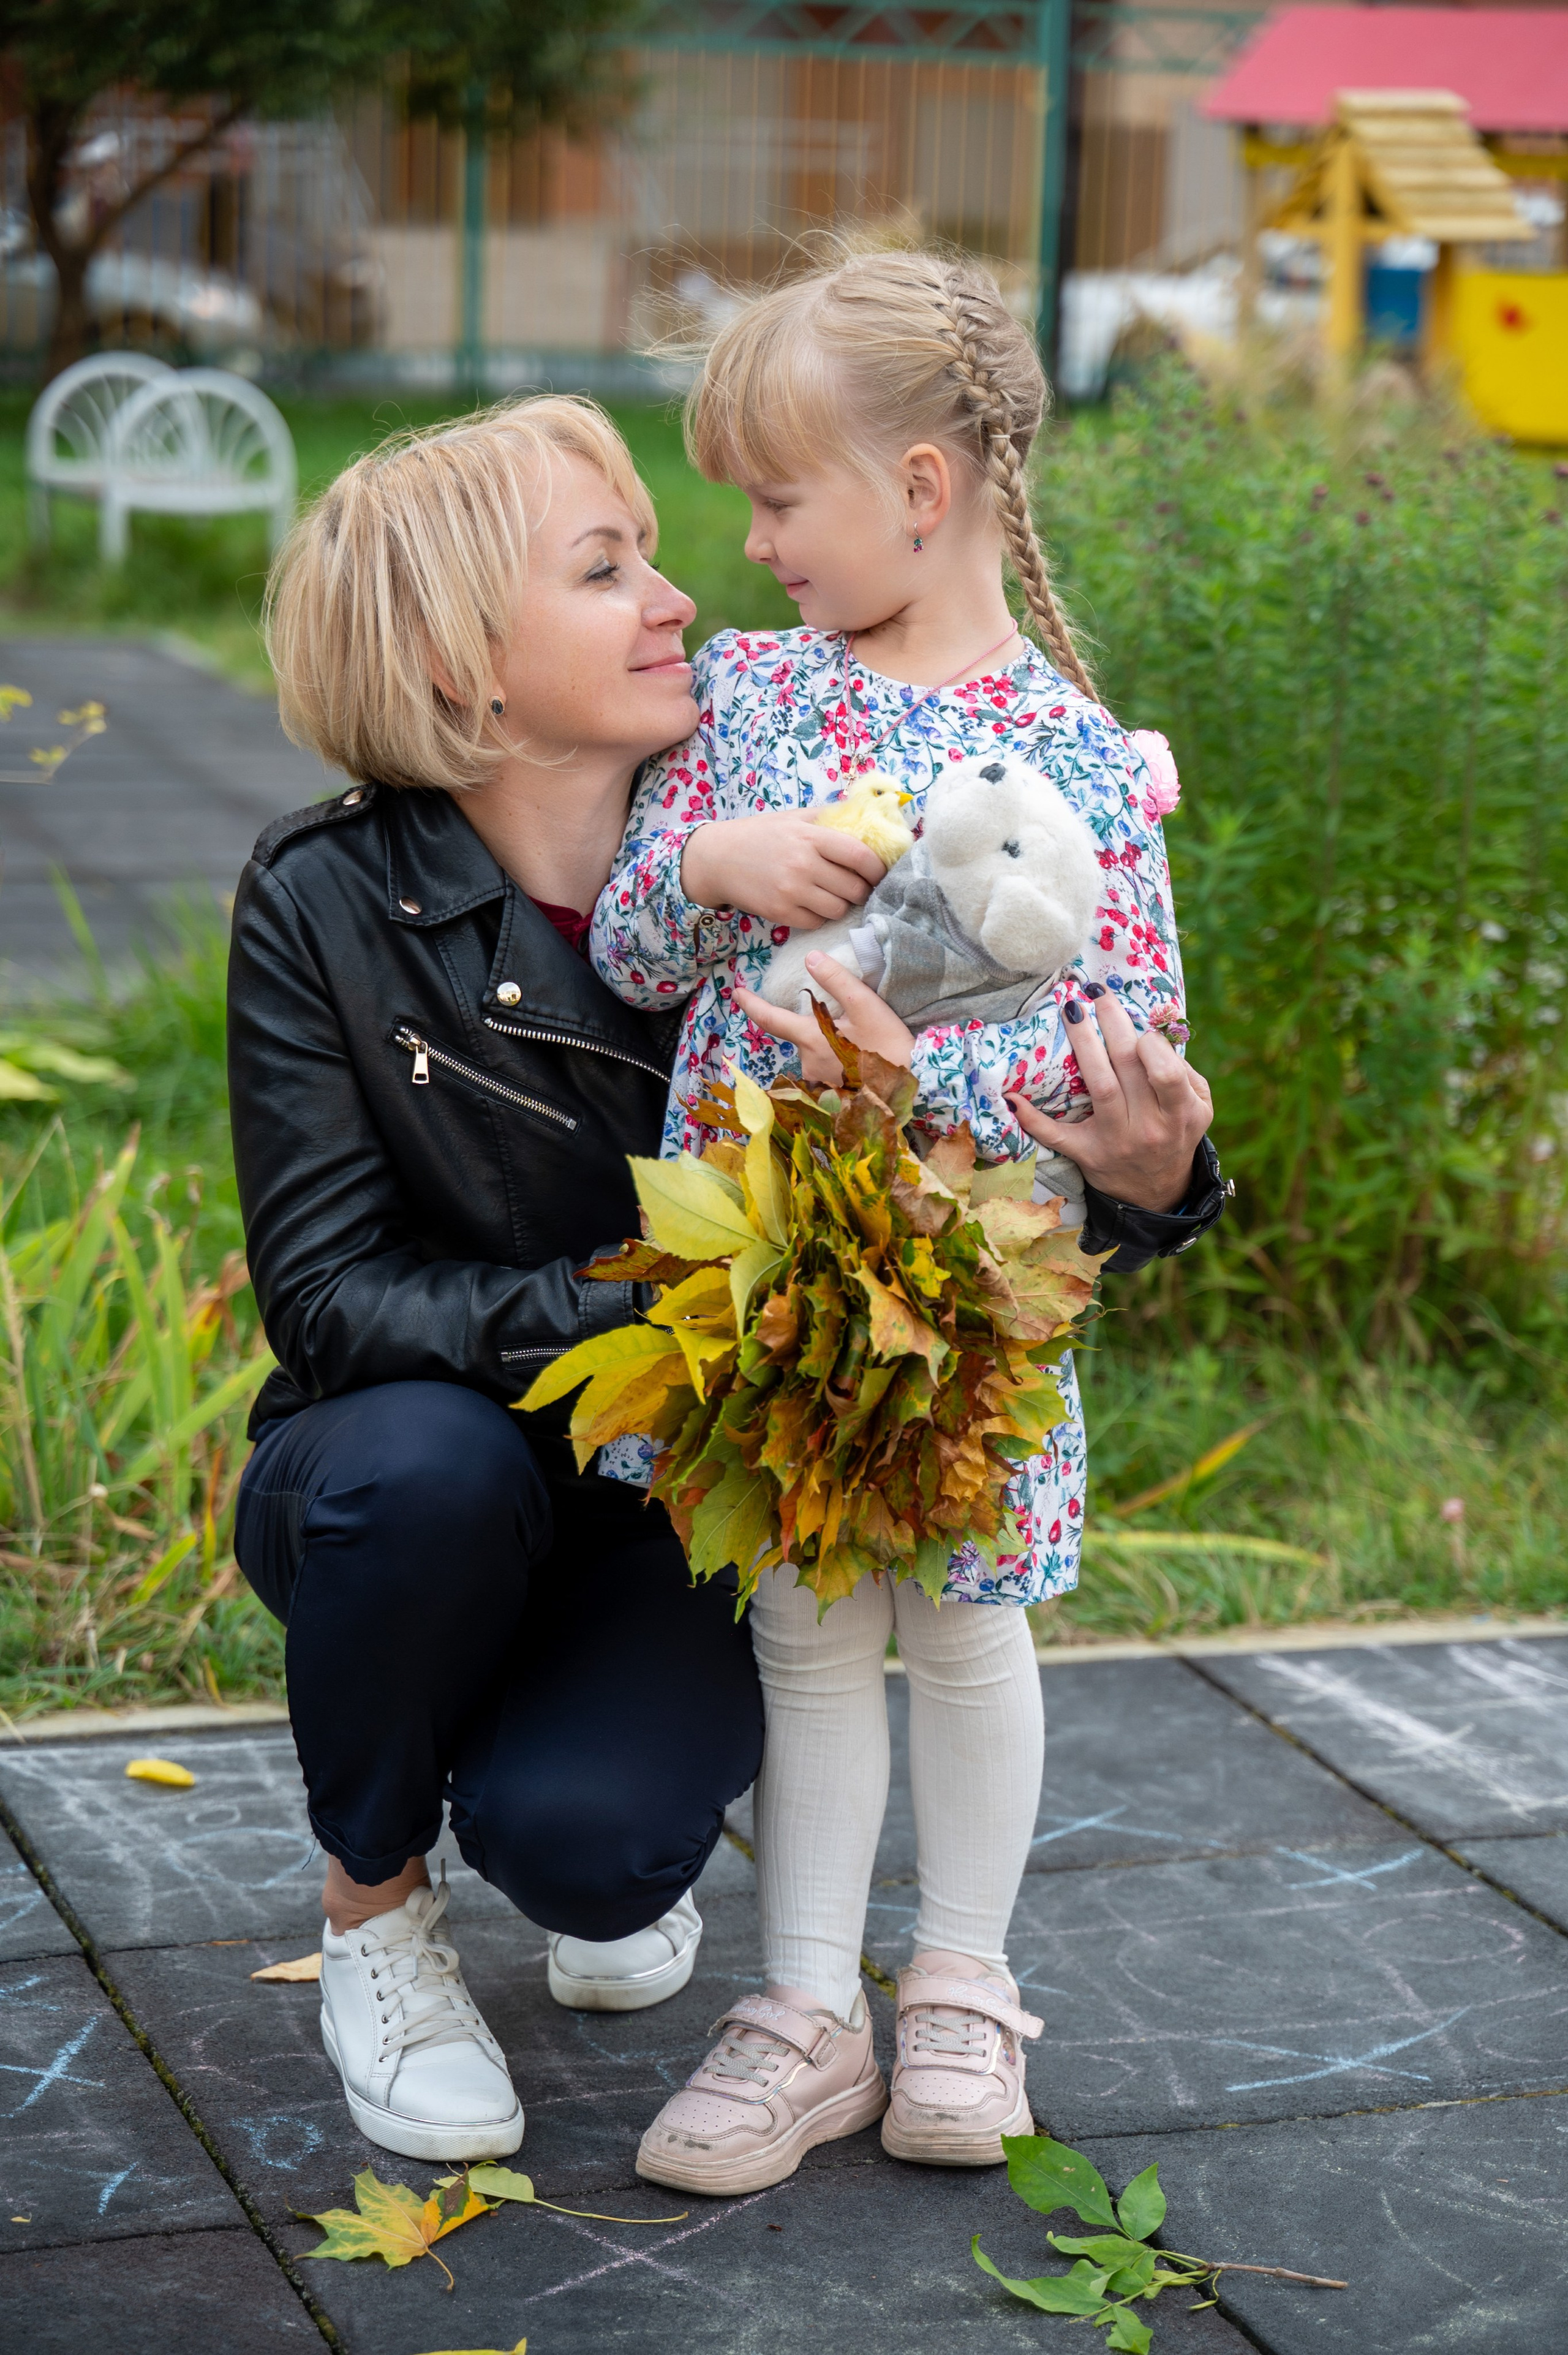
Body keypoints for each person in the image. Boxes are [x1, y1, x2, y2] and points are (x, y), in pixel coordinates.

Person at [588, 249, 1225, 2196]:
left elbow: (1131, 1050)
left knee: (965, 1624)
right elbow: (632, 950)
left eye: (781, 498)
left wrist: (1091, 1117)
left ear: (923, 490)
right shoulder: (752, 702)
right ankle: (805, 2007)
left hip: (967, 1299)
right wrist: (718, 859)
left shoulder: (1086, 766)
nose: (752, 543)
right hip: (777, 1281)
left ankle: (960, 1981)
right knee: (802, 1621)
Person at [227, 397, 764, 2164]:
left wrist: (1155, 1181)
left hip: (653, 1494)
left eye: (652, 555)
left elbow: (963, 1143)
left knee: (596, 1857)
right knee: (421, 1473)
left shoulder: (762, 858)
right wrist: (648, 1307)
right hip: (399, 1465)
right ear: (464, 664)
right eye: (606, 569)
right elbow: (327, 1301)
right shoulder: (321, 898)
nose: (676, 596)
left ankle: (544, 1772)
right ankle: (375, 1911)